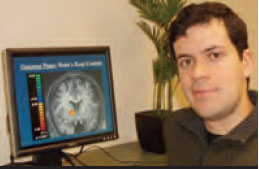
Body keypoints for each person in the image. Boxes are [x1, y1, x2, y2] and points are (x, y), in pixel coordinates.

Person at [163, 1, 258, 166]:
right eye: (186, 62)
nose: (197, 73)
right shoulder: (177, 128)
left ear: (246, 63)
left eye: (214, 55)